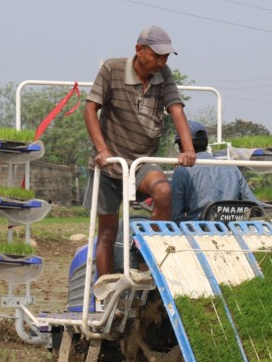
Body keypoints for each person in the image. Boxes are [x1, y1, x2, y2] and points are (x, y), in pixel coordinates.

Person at [84, 25, 197, 277]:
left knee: (163, 190)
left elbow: (176, 109)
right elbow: (90, 108)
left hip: (141, 161)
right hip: (111, 162)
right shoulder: (112, 69)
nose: (161, 62)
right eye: (156, 56)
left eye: (165, 57)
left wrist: (188, 150)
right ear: (139, 50)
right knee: (107, 233)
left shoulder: (164, 75)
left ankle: (151, 266)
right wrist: (102, 150)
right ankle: (106, 293)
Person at [170, 120, 261, 222]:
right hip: (231, 231)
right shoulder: (233, 169)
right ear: (206, 143)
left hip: (197, 231)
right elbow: (254, 206)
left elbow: (176, 216)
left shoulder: (182, 172)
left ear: (182, 146)